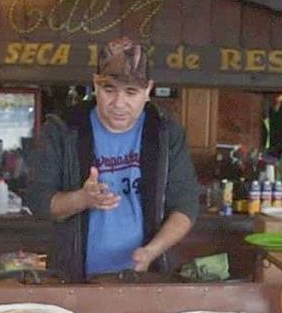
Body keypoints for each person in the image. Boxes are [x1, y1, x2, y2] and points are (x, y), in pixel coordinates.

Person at [27, 36, 201, 282]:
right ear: (95, 85)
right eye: (109, 89)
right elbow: (39, 201)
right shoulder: (63, 129)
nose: (119, 103)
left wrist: (151, 252)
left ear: (148, 90)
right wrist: (82, 199)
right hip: (73, 279)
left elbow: (186, 207)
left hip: (146, 278)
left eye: (131, 92)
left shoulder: (165, 132)